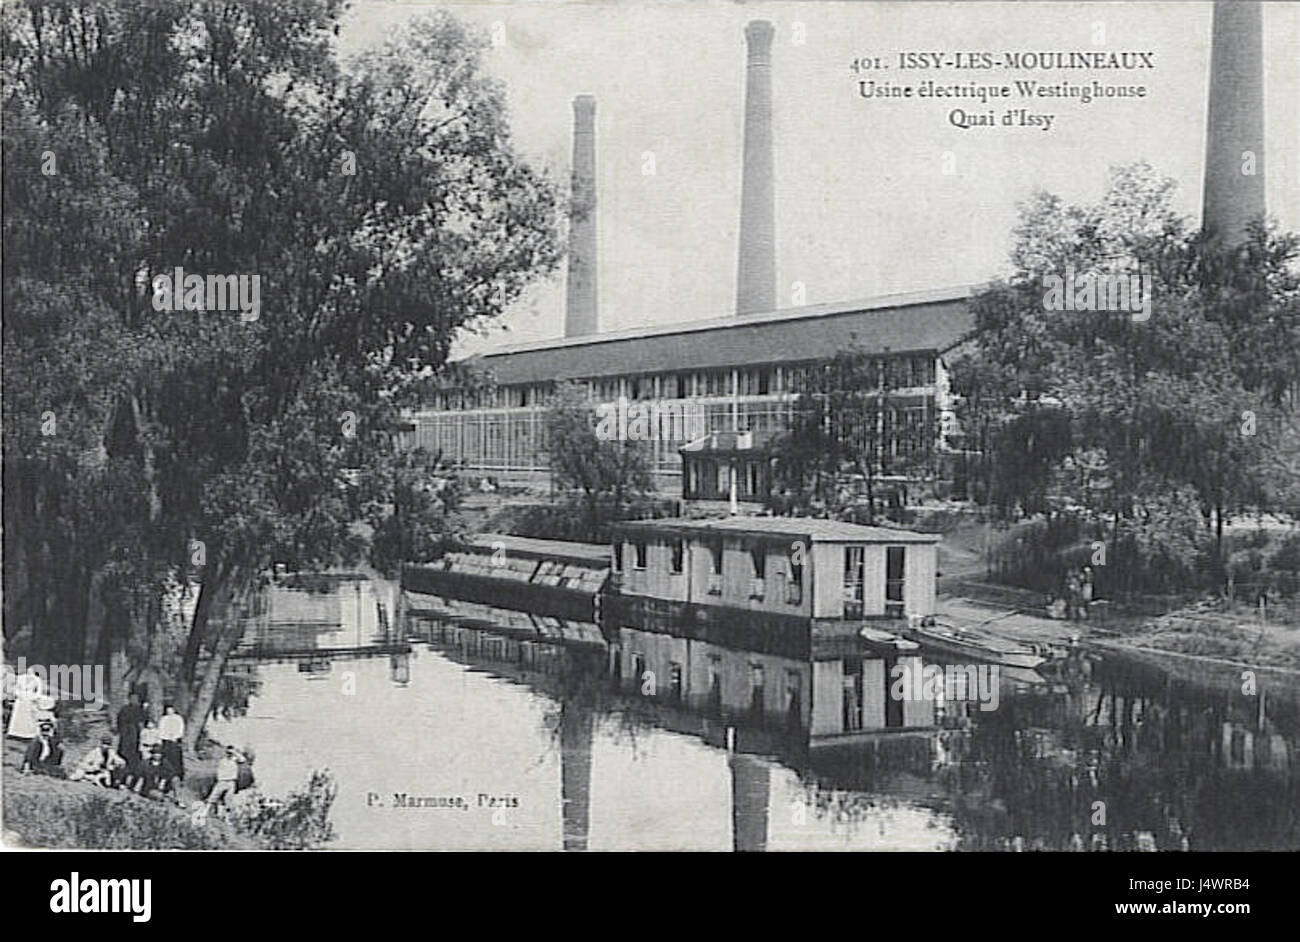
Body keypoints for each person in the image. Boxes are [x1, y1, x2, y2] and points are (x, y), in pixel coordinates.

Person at [6, 668, 44, 740]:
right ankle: (15, 732)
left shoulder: (37, 680)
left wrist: (34, 698)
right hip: (21, 698)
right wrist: (18, 694)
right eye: (28, 670)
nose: (30, 671)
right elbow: (16, 688)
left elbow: (39, 691)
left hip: (30, 698)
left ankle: (28, 734)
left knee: (28, 716)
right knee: (18, 715)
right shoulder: (21, 678)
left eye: (31, 670)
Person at [206, 745, 245, 813]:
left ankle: (225, 818)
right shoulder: (221, 759)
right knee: (212, 798)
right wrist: (225, 753)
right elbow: (215, 757)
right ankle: (205, 813)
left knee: (228, 801)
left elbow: (243, 760)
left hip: (231, 782)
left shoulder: (235, 759)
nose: (229, 753)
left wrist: (235, 752)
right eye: (227, 752)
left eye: (230, 752)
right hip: (222, 781)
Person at [159, 704, 185, 783]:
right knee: (167, 756)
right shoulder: (163, 719)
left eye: (170, 710)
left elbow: (181, 728)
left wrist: (176, 736)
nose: (169, 712)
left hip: (175, 739)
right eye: (167, 710)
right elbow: (161, 729)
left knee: (176, 757)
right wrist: (165, 736)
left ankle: (178, 774)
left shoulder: (178, 718)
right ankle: (167, 774)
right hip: (166, 739)